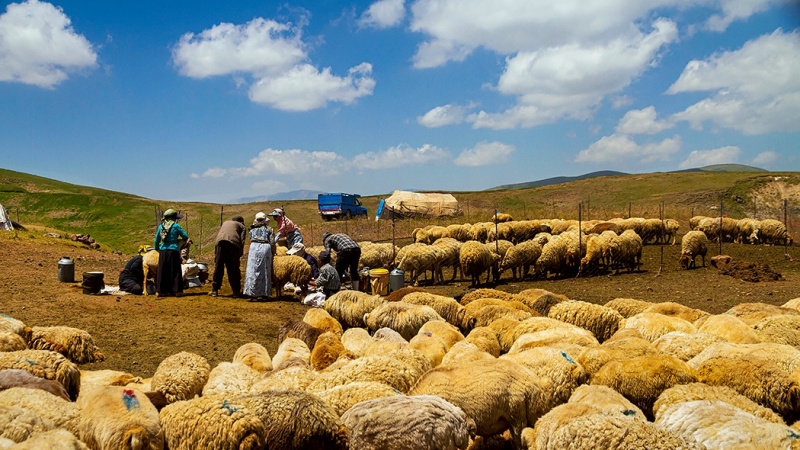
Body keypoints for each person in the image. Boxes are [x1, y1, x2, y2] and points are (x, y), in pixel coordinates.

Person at [153, 209, 190, 297]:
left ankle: (160, 291)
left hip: (163, 251)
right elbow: (185, 236)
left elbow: (156, 240)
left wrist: (157, 249)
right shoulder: (176, 226)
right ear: (173, 218)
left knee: (162, 270)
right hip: (173, 251)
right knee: (175, 271)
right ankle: (177, 291)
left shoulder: (160, 227)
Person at [209, 216, 246, 297]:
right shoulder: (242, 226)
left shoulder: (225, 223)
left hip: (220, 244)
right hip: (233, 245)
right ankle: (236, 292)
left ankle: (214, 290)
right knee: (233, 268)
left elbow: (219, 237)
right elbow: (242, 240)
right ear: (241, 222)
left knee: (218, 267)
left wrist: (216, 254)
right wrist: (240, 253)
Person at [243, 212, 275, 302]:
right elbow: (272, 242)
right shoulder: (269, 229)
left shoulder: (252, 229)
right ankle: (264, 294)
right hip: (265, 247)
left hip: (254, 247)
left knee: (252, 270)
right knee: (265, 270)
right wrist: (274, 252)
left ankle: (253, 294)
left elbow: (250, 238)